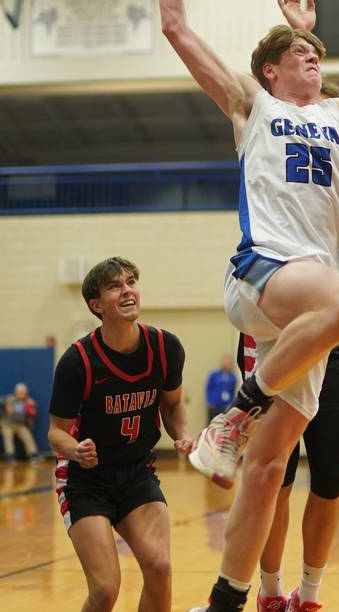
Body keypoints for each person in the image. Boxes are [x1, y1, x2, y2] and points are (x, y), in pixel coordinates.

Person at [158, 0, 339, 612]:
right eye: (300, 53)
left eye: (317, 54)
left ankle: (229, 600)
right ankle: (234, 415)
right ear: (271, 69)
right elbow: (177, 28)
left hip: (304, 305)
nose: (313, 59)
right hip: (263, 273)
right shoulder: (251, 104)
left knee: (266, 470)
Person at [239, 108, 339, 612]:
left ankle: (308, 596)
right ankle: (268, 590)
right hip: (277, 321)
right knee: (273, 473)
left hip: (333, 330)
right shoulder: (270, 153)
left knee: (328, 475)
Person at [48, 257, 191, 612]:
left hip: (136, 472)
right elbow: (55, 433)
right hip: (85, 480)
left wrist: (183, 435)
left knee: (160, 568)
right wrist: (77, 449)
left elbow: (171, 406)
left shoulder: (165, 347)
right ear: (97, 305)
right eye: (115, 286)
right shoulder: (77, 361)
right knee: (106, 589)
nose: (127, 290)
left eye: (131, 282)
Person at [2, 382, 42, 462]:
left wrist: (32, 407)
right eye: (20, 392)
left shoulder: (29, 402)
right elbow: (8, 410)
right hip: (8, 424)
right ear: (16, 392)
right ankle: (10, 455)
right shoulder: (10, 399)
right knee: (7, 434)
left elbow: (33, 414)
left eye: (23, 392)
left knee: (27, 435)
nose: (22, 394)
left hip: (20, 425)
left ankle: (33, 454)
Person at [205, 355, 238, 423]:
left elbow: (233, 391)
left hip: (226, 406)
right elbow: (209, 388)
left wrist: (231, 404)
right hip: (214, 405)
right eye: (225, 362)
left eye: (228, 362)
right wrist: (210, 401)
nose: (226, 364)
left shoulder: (233, 377)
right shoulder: (214, 374)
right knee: (211, 423)